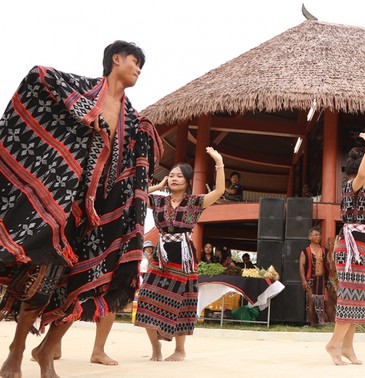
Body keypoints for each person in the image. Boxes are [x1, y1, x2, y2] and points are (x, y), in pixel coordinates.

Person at [0, 40, 162, 378]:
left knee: (88, 286)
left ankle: (46, 351)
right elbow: (39, 76)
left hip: (104, 215)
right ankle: (16, 351)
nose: (139, 69)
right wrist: (83, 114)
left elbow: (140, 165)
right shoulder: (82, 93)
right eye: (135, 61)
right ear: (115, 60)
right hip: (62, 206)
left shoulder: (134, 120)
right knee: (42, 280)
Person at [134, 148, 225, 362]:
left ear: (187, 181)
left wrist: (219, 162)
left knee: (183, 302)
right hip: (161, 256)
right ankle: (156, 348)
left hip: (184, 257)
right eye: (172, 175)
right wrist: (158, 185)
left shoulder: (195, 202)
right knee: (146, 298)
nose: (174, 179)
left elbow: (220, 190)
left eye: (179, 176)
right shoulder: (158, 201)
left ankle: (179, 350)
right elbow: (137, 194)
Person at [325, 130, 365, 366]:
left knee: (358, 297)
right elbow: (363, 174)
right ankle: (334, 344)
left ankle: (347, 346)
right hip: (349, 248)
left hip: (358, 246)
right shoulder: (351, 186)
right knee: (349, 297)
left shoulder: (360, 189)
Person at [299, 227, 334, 327]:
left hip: (323, 279)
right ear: (310, 237)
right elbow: (301, 266)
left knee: (327, 300)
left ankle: (332, 323)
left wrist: (331, 278)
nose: (318, 237)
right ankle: (313, 324)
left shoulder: (324, 250)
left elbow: (329, 265)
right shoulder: (305, 251)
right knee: (311, 300)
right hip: (311, 279)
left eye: (319, 235)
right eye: (316, 235)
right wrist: (303, 280)